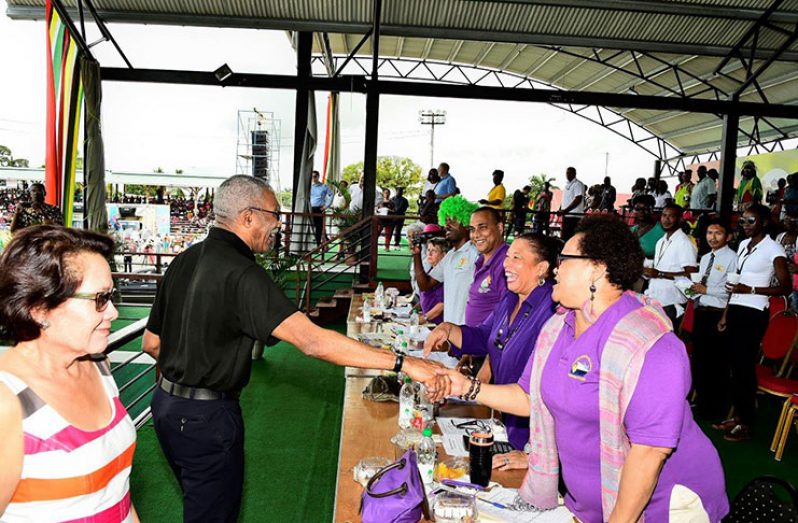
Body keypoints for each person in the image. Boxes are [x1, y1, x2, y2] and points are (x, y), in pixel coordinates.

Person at [142, 175, 445, 521]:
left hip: (165, 408)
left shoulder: (184, 260)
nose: (279, 225)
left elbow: (152, 344)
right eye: (274, 214)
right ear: (248, 216)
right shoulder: (242, 274)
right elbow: (312, 341)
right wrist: (404, 364)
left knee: (200, 505)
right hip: (207, 419)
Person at [440, 214, 729, 522]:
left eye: (564, 260)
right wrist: (465, 387)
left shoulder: (650, 344)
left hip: (663, 506)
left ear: (596, 269)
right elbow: (529, 397)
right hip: (590, 504)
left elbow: (649, 453)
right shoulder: (559, 328)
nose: (555, 268)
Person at [0, 226, 139, 522]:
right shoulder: (6, 401)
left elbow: (118, 493)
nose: (113, 312)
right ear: (39, 309)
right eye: (100, 299)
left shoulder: (98, 366)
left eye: (111, 296)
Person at [424, 233, 557, 453]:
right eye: (507, 256)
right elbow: (484, 337)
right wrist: (448, 329)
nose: (507, 263)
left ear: (541, 268)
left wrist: (532, 454)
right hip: (505, 419)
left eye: (517, 258)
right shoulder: (510, 299)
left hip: (533, 431)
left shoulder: (551, 310)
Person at [716, 203, 790, 442]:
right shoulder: (743, 246)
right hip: (737, 308)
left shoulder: (774, 248)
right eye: (743, 221)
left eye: (751, 221)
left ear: (764, 222)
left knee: (744, 368)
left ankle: (746, 423)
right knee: (733, 366)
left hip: (755, 311)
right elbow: (735, 283)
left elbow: (785, 286)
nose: (745, 225)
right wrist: (726, 314)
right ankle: (737, 416)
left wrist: (752, 289)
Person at [689, 218, 737, 422]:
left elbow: (733, 290)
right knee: (700, 361)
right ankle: (701, 404)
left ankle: (716, 410)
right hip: (702, 310)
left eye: (718, 233)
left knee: (717, 364)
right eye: (709, 233)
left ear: (728, 237)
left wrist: (706, 289)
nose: (713, 237)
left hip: (718, 314)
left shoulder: (732, 258)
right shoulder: (707, 256)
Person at [413, 196, 479, 325]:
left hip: (467, 328)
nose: (447, 225)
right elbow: (425, 285)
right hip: (449, 328)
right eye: (446, 220)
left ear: (466, 223)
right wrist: (416, 255)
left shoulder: (475, 254)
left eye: (453, 220)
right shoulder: (450, 256)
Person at [643, 204, 698, 326]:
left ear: (680, 219)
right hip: (656, 299)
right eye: (664, 215)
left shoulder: (684, 243)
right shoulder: (660, 241)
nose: (666, 220)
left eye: (671, 216)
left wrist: (660, 274)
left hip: (672, 302)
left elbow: (691, 274)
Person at [464, 207, 509, 326]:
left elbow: (509, 313)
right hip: (474, 339)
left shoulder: (506, 263)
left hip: (488, 342)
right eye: (472, 229)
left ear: (499, 228)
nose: (476, 235)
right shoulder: (480, 261)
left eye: (482, 227)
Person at [419, 237, 448, 325]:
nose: (429, 254)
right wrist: (414, 311)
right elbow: (427, 295)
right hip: (428, 320)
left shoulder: (445, 274)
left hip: (437, 324)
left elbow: (442, 305)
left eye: (434, 251)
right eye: (428, 250)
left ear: (444, 255)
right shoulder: (431, 270)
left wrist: (423, 318)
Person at [630, 194, 665, 260]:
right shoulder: (631, 230)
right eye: (637, 209)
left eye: (645, 209)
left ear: (651, 209)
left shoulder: (662, 231)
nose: (641, 212)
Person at [559, 166, 586, 241]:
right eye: (567, 173)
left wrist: (566, 210)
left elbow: (578, 199)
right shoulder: (567, 185)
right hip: (567, 215)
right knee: (565, 237)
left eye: (570, 173)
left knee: (570, 238)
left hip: (574, 216)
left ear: (574, 173)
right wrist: (561, 209)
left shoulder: (578, 184)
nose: (568, 174)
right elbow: (565, 200)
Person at [309, 171, 333, 246]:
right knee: (309, 226)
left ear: (318, 176)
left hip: (319, 209)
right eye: (312, 176)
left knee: (318, 227)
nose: (314, 178)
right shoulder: (308, 186)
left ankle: (317, 244)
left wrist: (326, 205)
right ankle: (310, 244)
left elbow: (331, 194)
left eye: (315, 176)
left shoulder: (324, 186)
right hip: (309, 209)